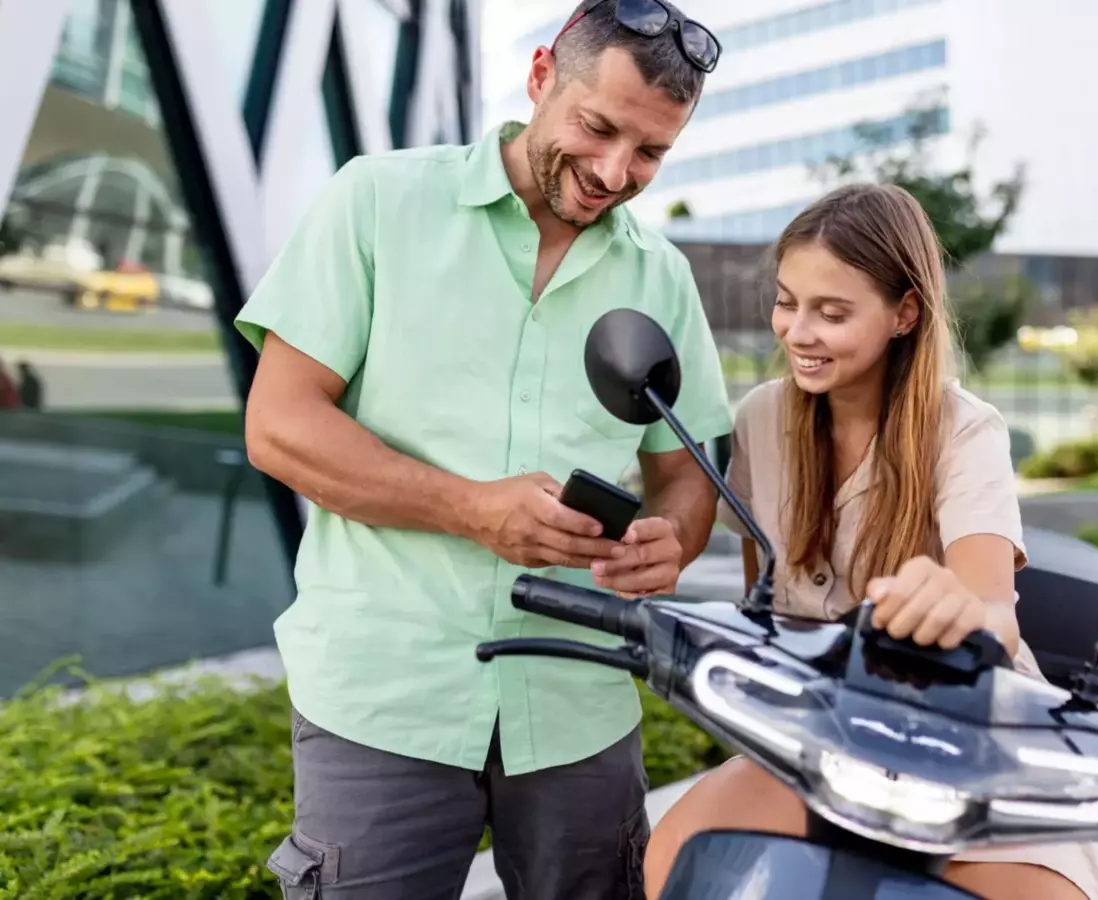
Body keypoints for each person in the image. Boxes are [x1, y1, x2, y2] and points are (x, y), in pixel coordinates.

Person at [235, 1, 730, 897]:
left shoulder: (664, 277)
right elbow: (278, 425)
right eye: (598, 127)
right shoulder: (376, 199)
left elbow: (685, 472)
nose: (616, 171)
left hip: (580, 703)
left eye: (650, 152)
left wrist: (675, 537)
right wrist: (472, 509)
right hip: (385, 700)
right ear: (541, 76)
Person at [643, 183, 1098, 900]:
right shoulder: (762, 418)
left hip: (969, 728)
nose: (796, 331)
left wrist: (952, 610)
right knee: (669, 859)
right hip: (826, 727)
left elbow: (993, 609)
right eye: (786, 301)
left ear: (904, 313)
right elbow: (763, 605)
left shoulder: (964, 428)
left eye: (831, 312)